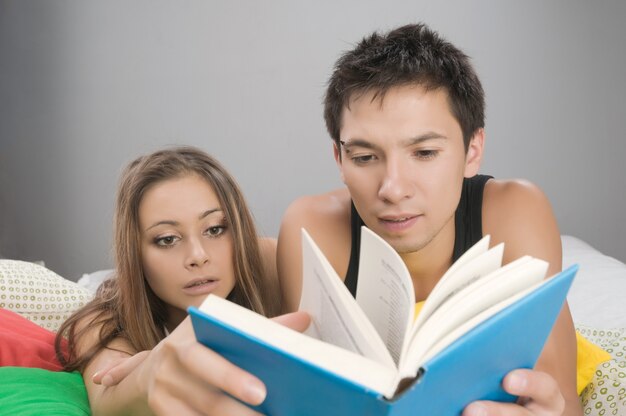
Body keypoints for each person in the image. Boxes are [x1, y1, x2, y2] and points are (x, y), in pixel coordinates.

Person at [277, 23, 582, 415]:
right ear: (339, 159)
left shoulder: (514, 211)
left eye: (424, 153)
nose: (392, 188)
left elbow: (562, 400)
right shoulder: (312, 229)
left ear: (472, 150)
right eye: (365, 157)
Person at [55, 146, 309, 415]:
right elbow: (108, 398)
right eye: (167, 239)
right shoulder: (104, 318)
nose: (198, 257)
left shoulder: (274, 261)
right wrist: (147, 374)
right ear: (134, 253)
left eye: (214, 229)